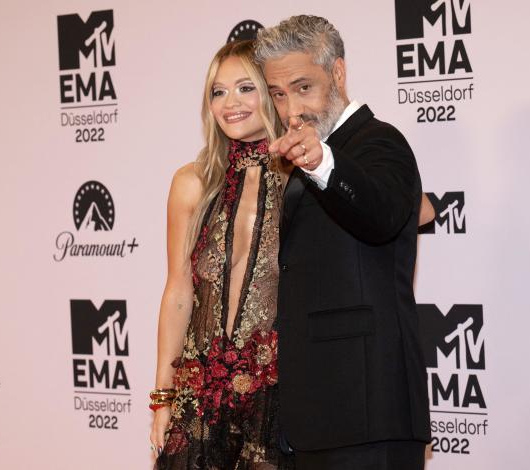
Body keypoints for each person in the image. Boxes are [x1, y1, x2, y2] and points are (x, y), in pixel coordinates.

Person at [254, 15, 431, 469]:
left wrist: (323, 163)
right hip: (314, 415)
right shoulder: (295, 160)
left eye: (303, 87)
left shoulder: (381, 142)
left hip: (368, 412)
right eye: (278, 94)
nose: (291, 109)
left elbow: (383, 215)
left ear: (337, 72)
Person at [149, 39, 294, 470]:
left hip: (277, 395)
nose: (230, 103)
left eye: (245, 88)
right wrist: (163, 397)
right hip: (200, 391)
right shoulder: (192, 182)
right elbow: (177, 291)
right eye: (218, 91)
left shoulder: (302, 177)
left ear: (271, 94)